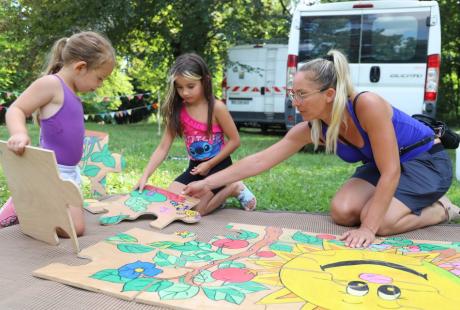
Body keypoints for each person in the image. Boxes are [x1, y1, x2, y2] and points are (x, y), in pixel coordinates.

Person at [183, 49, 460, 247]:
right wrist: (207, 182)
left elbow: (390, 173)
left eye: (302, 94)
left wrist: (368, 227)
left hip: (425, 162)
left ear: (329, 95)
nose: (296, 101)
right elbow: (260, 161)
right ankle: (398, 207)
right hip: (384, 166)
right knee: (341, 211)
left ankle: (443, 209)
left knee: (380, 223)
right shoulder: (314, 127)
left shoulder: (367, 105)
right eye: (294, 94)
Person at [0, 31, 116, 235]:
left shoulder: (73, 94)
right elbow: (16, 109)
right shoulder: (52, 85)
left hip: (70, 173)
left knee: (76, 227)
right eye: (99, 78)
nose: (99, 85)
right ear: (80, 67)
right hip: (52, 171)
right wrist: (18, 133)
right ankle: (24, 204)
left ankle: (31, 202)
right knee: (75, 228)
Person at [135, 53, 256, 215]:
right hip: (195, 168)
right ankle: (214, 198)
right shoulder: (177, 112)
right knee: (173, 201)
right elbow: (163, 148)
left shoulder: (217, 108)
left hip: (219, 166)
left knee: (199, 209)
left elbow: (235, 141)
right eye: (179, 87)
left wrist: (209, 164)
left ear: (205, 81)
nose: (184, 92)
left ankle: (234, 187)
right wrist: (145, 176)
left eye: (190, 86)